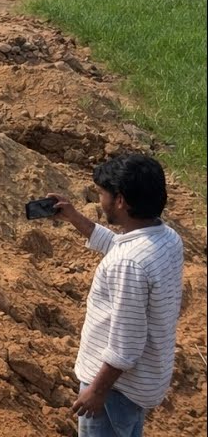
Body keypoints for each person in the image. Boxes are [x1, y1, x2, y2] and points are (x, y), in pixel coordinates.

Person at [50, 154, 184, 437]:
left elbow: (127, 344)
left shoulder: (129, 264)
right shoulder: (166, 238)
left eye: (102, 194)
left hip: (114, 390)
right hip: (139, 383)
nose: (100, 200)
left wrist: (96, 392)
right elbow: (120, 246)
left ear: (120, 200)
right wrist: (75, 218)